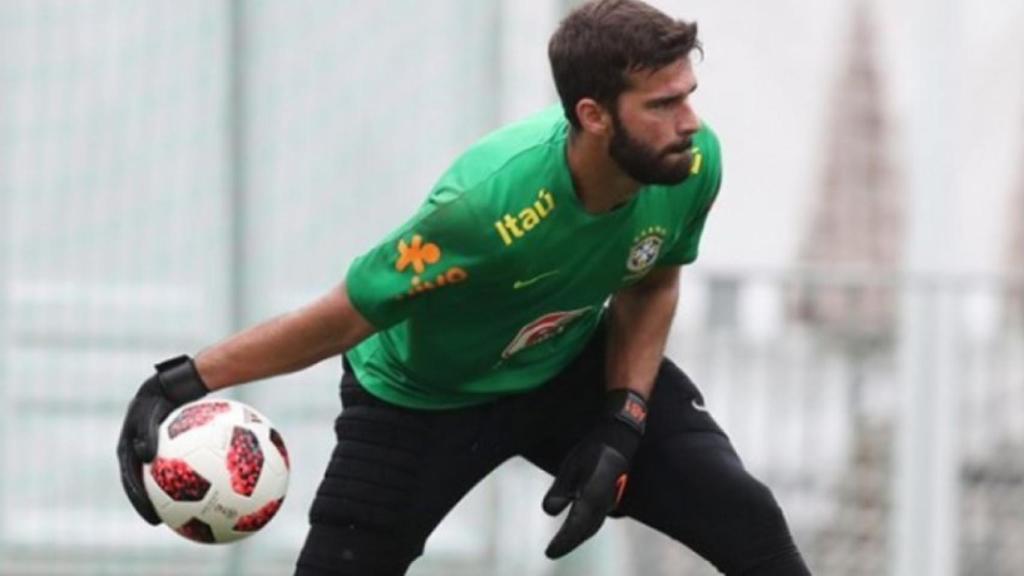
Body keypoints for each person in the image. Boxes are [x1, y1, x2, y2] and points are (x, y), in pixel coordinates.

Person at [117, 0, 812, 574]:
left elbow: (651, 282)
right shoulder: (484, 211)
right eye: (663, 104)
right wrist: (179, 382)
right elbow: (342, 319)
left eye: (688, 96)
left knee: (746, 520)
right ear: (595, 115)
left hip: (568, 364)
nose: (689, 121)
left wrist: (623, 420)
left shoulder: (690, 162)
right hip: (422, 399)